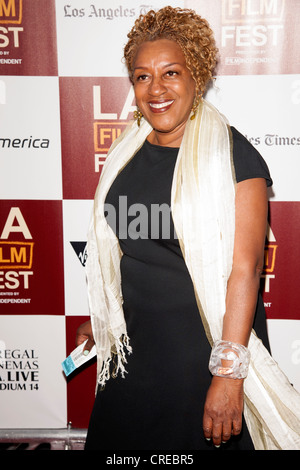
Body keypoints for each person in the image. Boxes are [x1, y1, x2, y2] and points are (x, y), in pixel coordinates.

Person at [76, 7, 300, 450]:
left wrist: (228, 376)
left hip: (200, 360)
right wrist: (102, 318)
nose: (155, 89)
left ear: (195, 76)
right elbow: (127, 252)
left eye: (171, 73)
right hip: (133, 357)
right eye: (142, 76)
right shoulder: (125, 153)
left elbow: (246, 268)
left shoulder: (233, 156)